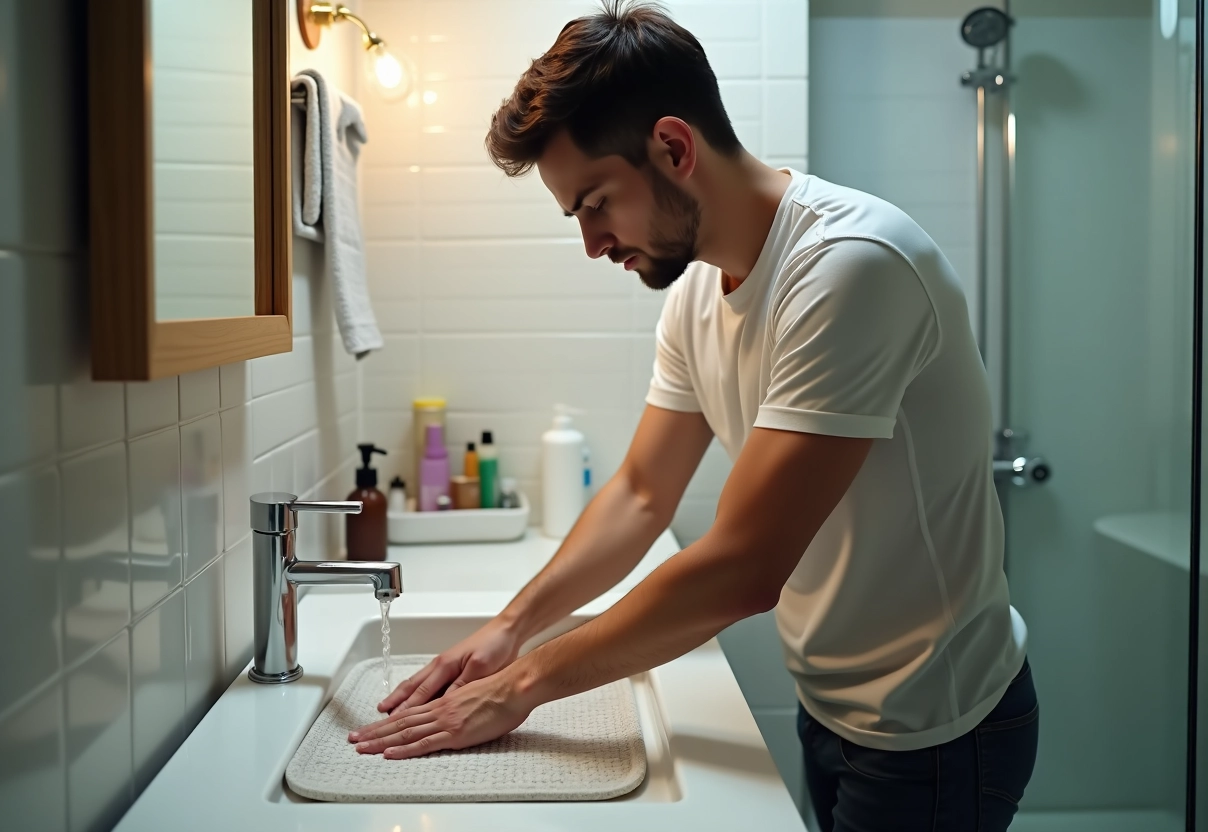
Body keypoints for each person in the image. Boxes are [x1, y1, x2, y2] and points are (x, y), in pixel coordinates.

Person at [347, 2, 1038, 828]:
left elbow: (744, 567)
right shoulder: (699, 291)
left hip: (937, 728)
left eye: (596, 202)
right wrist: (510, 628)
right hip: (837, 708)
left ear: (674, 148)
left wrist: (520, 687)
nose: (593, 243)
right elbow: (641, 491)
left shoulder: (851, 269)